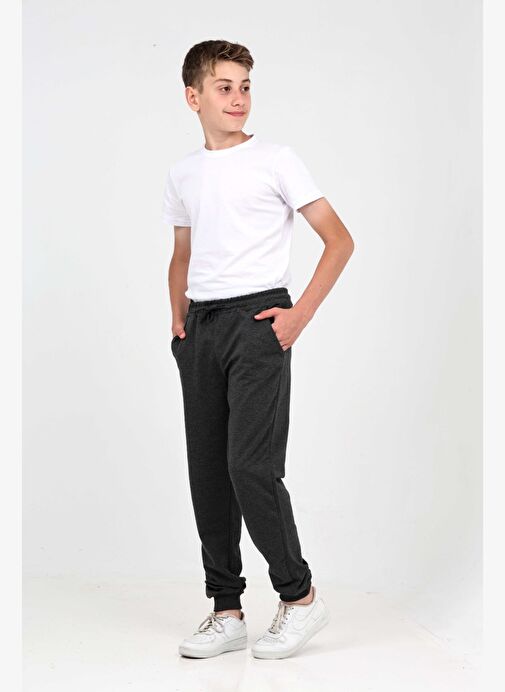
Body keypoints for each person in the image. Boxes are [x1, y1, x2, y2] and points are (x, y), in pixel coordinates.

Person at [162, 39, 354, 660]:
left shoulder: (276, 160)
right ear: (193, 97)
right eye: (224, 87)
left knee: (250, 466)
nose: (238, 98)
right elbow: (182, 253)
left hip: (259, 320)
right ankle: (226, 610)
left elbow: (339, 240)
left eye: (245, 86)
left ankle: (300, 597)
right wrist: (178, 318)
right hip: (201, 326)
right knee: (208, 472)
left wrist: (298, 316)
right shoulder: (183, 173)